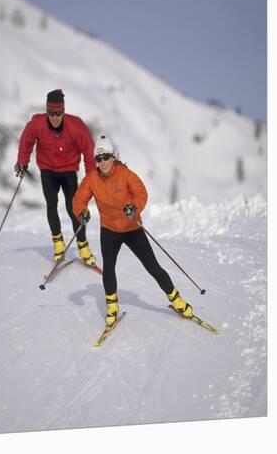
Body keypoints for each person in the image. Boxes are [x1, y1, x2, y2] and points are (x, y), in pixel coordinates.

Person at [73, 135, 193, 327]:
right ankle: (112, 307)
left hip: (131, 227)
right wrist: (82, 212)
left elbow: (141, 193)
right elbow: (79, 200)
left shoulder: (125, 174)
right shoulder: (91, 179)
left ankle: (177, 300)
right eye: (98, 158)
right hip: (109, 229)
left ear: (113, 157)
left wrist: (134, 207)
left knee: (152, 266)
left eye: (106, 157)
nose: (102, 162)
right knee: (109, 268)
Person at [15, 89, 97, 265]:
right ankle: (58, 242)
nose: (54, 117)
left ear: (63, 111)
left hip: (68, 171)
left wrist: (92, 180)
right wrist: (22, 163)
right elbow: (26, 140)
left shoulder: (76, 126)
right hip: (48, 171)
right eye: (50, 113)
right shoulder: (37, 124)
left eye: (58, 113)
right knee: (51, 204)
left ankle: (83, 245)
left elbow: (89, 152)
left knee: (74, 207)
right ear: (46, 111)